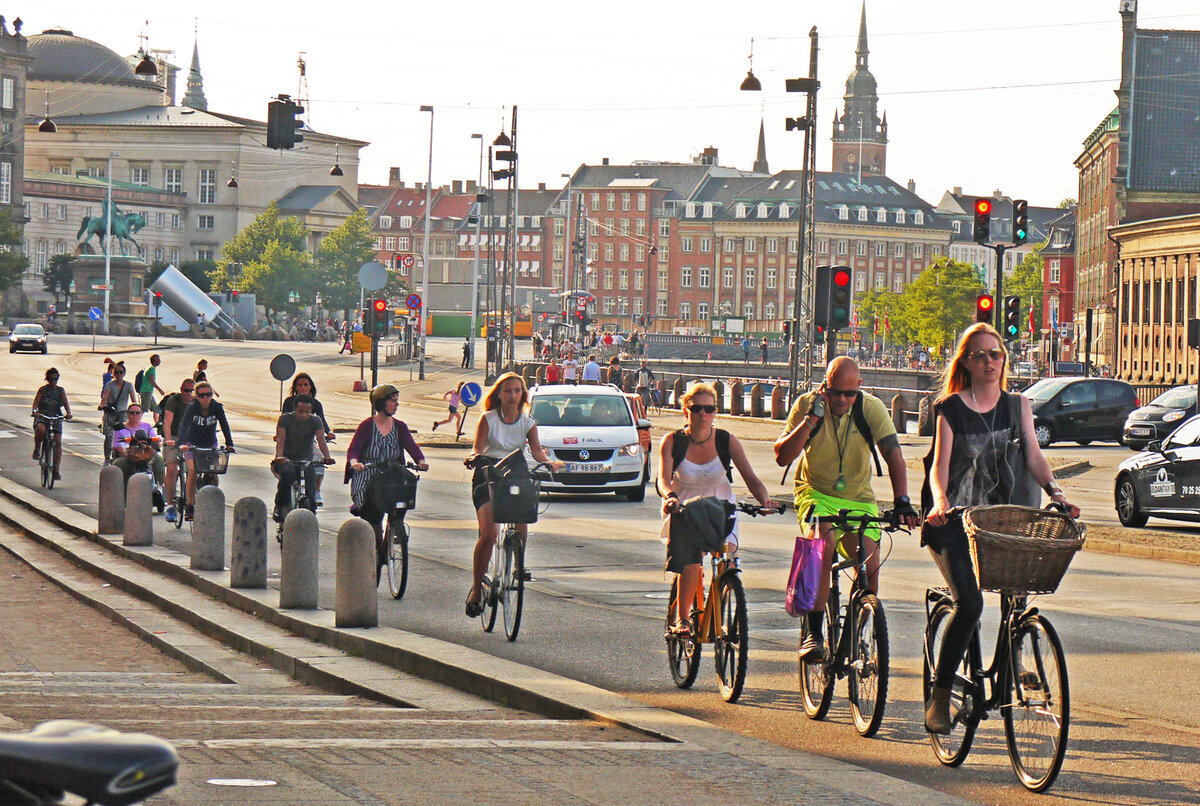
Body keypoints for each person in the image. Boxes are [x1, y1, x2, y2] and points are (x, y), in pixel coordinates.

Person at [921, 323, 1080, 734]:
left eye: (995, 354)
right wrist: (940, 502)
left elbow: (1034, 456)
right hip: (953, 520)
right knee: (970, 604)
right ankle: (940, 694)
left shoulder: (1018, 406)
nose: (989, 361)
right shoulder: (950, 409)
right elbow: (940, 468)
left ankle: (1013, 666)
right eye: (980, 355)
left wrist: (1056, 492)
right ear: (967, 363)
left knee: (1017, 595)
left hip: (1000, 520)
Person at [773, 356, 920, 660]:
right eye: (834, 392)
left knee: (870, 557)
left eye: (849, 394)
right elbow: (782, 457)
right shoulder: (806, 404)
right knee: (823, 540)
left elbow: (893, 453)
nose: (842, 400)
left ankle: (858, 626)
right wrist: (809, 422)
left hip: (858, 497)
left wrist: (902, 500)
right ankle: (814, 632)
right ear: (824, 386)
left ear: (859, 388)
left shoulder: (870, 408)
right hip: (815, 492)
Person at [658, 382, 776, 634]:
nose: (703, 414)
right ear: (685, 411)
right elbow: (663, 479)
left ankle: (723, 599)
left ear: (715, 412)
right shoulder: (672, 441)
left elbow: (751, 477)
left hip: (720, 511)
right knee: (691, 562)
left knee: (728, 558)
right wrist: (669, 496)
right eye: (696, 408)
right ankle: (683, 621)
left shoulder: (726, 440)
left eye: (709, 409)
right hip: (684, 511)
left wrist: (764, 499)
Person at [463, 373, 561, 617]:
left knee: (523, 515)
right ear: (499, 393)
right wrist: (474, 457)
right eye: (508, 391)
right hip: (488, 472)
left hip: (514, 471)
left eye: (518, 391)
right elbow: (478, 446)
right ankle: (476, 588)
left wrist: (549, 462)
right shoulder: (488, 419)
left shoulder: (528, 423)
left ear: (523, 395)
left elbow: (537, 451)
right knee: (489, 533)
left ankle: (519, 565)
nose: (513, 395)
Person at [346, 384, 428, 544]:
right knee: (370, 511)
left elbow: (412, 447)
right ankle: (372, 538)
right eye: (392, 401)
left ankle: (396, 524)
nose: (397, 404)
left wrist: (421, 461)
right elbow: (354, 449)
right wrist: (355, 462)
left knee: (406, 488)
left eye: (397, 401)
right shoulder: (367, 426)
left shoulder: (400, 427)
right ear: (381, 402)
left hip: (391, 473)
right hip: (369, 474)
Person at [176, 381, 235, 521]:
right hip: (192, 443)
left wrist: (230, 443)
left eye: (208, 394)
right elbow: (184, 426)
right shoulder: (192, 408)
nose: (205, 398)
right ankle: (190, 506)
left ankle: (213, 500)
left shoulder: (217, 408)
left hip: (210, 442)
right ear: (196, 396)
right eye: (202, 395)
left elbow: (224, 425)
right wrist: (182, 443)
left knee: (214, 472)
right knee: (193, 470)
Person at [271, 394, 336, 521]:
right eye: (301, 411)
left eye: (307, 412)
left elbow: (321, 440)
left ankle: (311, 515)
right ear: (294, 409)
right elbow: (281, 440)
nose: (304, 415)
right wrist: (280, 456)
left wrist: (327, 457)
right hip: (287, 460)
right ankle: (280, 506)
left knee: (311, 484)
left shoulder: (315, 420)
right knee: (287, 476)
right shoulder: (285, 419)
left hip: (306, 462)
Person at [282, 373, 335, 506]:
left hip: (309, 441)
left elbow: (321, 419)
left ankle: (316, 491)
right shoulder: (289, 402)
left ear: (311, 387)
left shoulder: (316, 404)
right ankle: (282, 505)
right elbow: (283, 421)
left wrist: (328, 432)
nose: (303, 387)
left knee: (317, 459)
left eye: (306, 385)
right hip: (290, 440)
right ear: (295, 387)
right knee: (285, 473)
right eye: (300, 385)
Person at [159, 379, 196, 523]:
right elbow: (167, 422)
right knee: (172, 468)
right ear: (181, 389)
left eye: (191, 391)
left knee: (192, 469)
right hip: (173, 437)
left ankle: (191, 502)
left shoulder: (196, 402)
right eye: (186, 390)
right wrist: (168, 440)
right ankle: (169, 506)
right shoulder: (174, 401)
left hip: (188, 439)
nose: (188, 394)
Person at [32, 368, 72, 480]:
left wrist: (68, 413)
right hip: (43, 416)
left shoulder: (60, 391)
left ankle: (56, 470)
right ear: (47, 379)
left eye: (56, 379)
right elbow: (35, 403)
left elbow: (65, 403)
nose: (54, 381)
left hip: (55, 417)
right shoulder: (42, 390)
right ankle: (37, 449)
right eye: (51, 379)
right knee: (41, 429)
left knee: (58, 442)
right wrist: (35, 412)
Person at [111, 404, 164, 488]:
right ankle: (120, 490)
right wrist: (124, 452)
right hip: (128, 455)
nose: (135, 415)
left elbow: (155, 439)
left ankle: (159, 487)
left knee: (158, 460)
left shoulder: (147, 426)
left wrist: (158, 442)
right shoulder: (120, 428)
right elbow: (115, 444)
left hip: (146, 455)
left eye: (137, 413)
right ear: (127, 414)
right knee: (118, 464)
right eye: (132, 413)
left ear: (141, 414)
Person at [98, 362, 135, 464]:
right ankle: (107, 457)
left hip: (122, 414)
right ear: (113, 374)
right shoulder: (110, 385)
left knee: (124, 435)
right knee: (109, 436)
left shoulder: (128, 385)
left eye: (121, 372)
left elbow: (133, 399)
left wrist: (135, 408)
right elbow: (105, 397)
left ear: (124, 374)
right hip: (110, 413)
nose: (118, 374)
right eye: (116, 372)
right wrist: (102, 405)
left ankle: (123, 455)